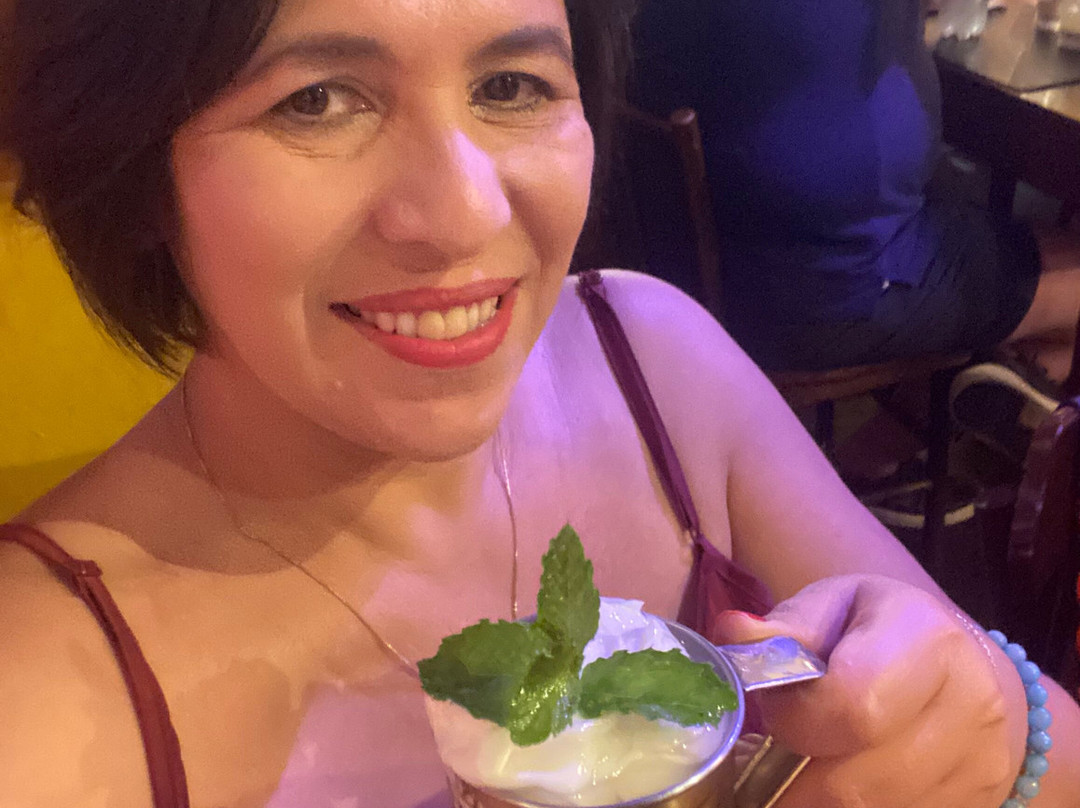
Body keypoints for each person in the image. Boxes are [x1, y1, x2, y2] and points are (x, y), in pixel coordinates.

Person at [1, 0, 1079, 806]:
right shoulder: (42, 702)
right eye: (316, 100)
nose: (466, 211)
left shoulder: (650, 357)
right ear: (135, 168)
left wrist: (992, 725)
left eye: (511, 86)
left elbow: (1050, 756)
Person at [626, 0, 1080, 396]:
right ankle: (1032, 437)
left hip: (698, 267)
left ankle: (1006, 408)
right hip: (824, 286)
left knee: (1004, 245)